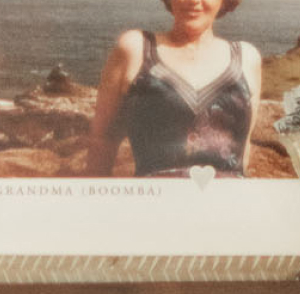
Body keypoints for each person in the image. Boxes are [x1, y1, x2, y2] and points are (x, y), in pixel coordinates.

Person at [84, 0, 263, 177]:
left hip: (227, 203)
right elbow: (102, 140)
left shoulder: (247, 58)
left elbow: (242, 152)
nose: (193, 1)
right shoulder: (135, 48)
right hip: (154, 202)